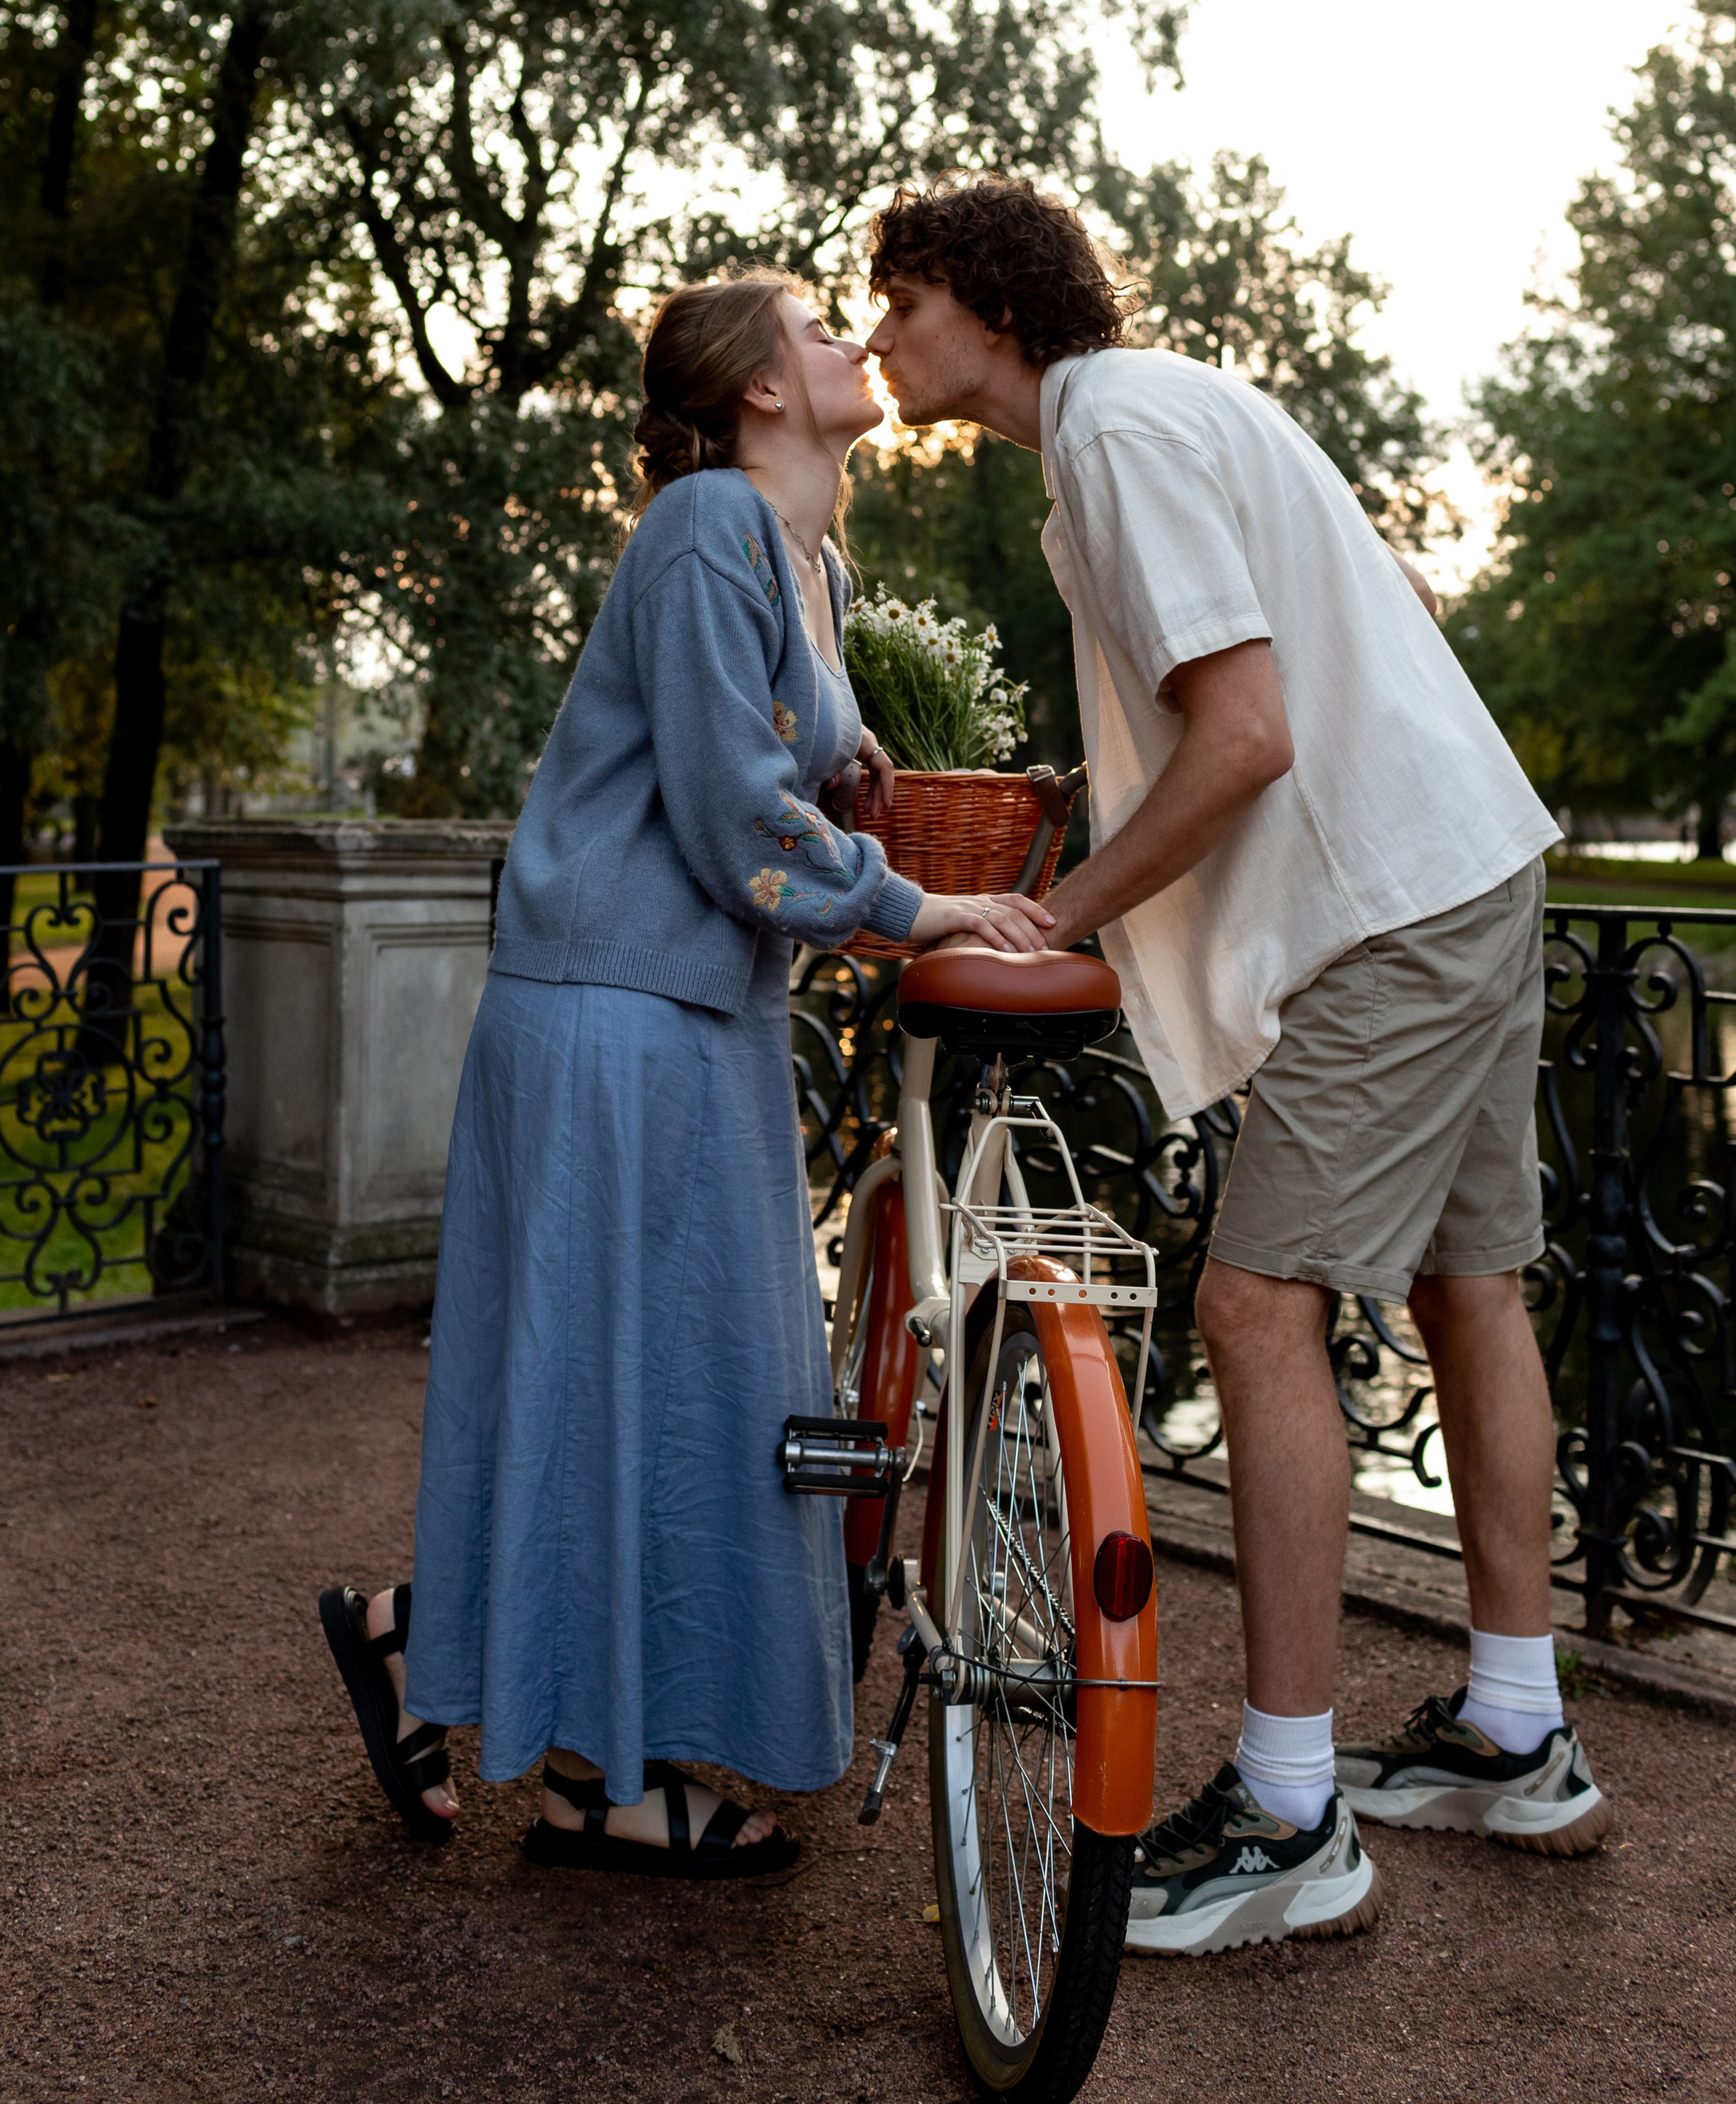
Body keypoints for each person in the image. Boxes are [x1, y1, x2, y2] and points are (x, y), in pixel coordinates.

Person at [864, 174, 1612, 1957]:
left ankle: (1287, 1815)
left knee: (1254, 1308)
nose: (880, 335)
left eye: (895, 300)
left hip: (1382, 909)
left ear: (982, 301)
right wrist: (1085, 793)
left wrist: (1059, 912)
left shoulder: (1111, 434)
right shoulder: (1149, 415)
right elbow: (1238, 690)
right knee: (1466, 1289)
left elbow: (1253, 735)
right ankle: (1515, 1729)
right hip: (1464, 858)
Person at [319, 272, 1052, 1878]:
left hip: (690, 1009)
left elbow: (771, 761)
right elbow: (731, 815)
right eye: (810, 327)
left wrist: (856, 776)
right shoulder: (704, 521)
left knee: (664, 1386)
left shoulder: (810, 557)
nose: (848, 340)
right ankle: (604, 1781)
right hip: (610, 1009)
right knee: (627, 1382)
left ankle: (429, 1646)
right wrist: (912, 901)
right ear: (755, 392)